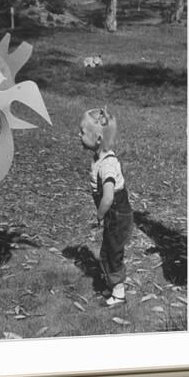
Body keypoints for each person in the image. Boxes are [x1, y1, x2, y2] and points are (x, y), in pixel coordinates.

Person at [78, 107, 133, 306]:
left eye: (83, 132)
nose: (79, 135)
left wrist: (100, 215)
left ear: (98, 138)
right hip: (114, 215)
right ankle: (112, 285)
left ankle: (119, 293)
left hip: (117, 215)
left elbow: (108, 197)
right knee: (107, 251)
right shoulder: (98, 159)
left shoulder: (107, 165)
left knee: (112, 252)